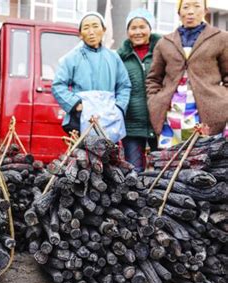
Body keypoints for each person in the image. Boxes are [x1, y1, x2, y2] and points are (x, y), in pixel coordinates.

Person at [146, 0, 228, 148]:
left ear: (205, 10)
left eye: (196, 6)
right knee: (171, 162)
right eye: (185, 7)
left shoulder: (221, 38)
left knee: (205, 161)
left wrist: (223, 102)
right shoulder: (165, 42)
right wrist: (155, 101)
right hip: (171, 115)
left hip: (209, 113)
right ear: (178, 13)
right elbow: (153, 79)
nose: (191, 11)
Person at [52, 12, 131, 143]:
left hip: (110, 116)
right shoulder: (71, 58)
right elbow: (58, 85)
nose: (91, 32)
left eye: (95, 26)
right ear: (80, 34)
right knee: (82, 159)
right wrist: (76, 104)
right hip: (81, 118)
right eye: (86, 28)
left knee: (109, 158)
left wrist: (118, 107)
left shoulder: (114, 57)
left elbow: (124, 86)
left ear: (103, 30)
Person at [117, 8, 161, 172]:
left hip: (160, 124)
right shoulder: (120, 57)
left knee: (163, 171)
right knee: (134, 171)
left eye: (142, 26)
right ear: (127, 31)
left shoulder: (163, 51)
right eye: (133, 28)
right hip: (132, 124)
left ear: (150, 28)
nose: (138, 32)